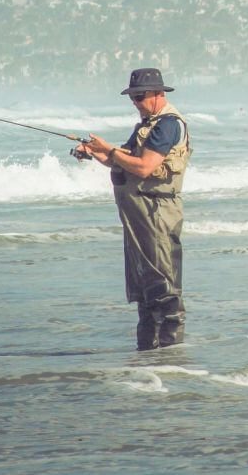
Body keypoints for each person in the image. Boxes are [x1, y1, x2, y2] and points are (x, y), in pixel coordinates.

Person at [75, 68, 193, 350]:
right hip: (138, 214)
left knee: (162, 285)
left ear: (159, 94)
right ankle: (149, 356)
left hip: (156, 213)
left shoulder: (167, 125)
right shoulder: (147, 124)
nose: (136, 103)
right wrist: (94, 152)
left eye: (140, 97)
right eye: (133, 98)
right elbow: (123, 161)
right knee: (143, 289)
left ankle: (171, 356)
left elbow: (144, 166)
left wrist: (110, 150)